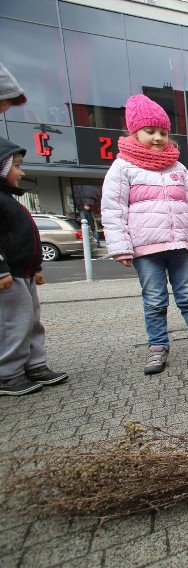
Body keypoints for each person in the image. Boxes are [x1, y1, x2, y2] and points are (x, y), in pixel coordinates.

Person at [101, 94, 188, 375]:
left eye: (163, 132)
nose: (158, 137)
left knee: (187, 295)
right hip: (145, 248)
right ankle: (158, 346)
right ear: (134, 132)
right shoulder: (122, 168)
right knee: (154, 299)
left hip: (179, 246)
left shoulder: (178, 168)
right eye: (150, 131)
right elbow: (113, 209)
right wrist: (120, 246)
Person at [0, 138, 68, 395]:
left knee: (30, 321)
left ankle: (34, 364)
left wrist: (36, 267)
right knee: (12, 324)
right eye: (17, 166)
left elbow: (26, 239)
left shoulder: (9, 200)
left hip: (23, 273)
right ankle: (8, 375)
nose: (22, 171)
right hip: (8, 277)